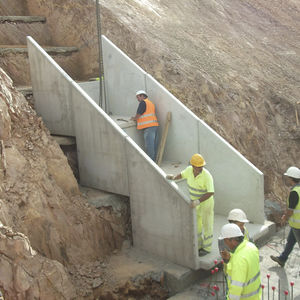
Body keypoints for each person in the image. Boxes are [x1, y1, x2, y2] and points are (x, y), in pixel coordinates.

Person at [166, 154, 214, 256]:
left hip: (206, 203)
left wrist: (198, 201)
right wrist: (174, 177)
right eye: (198, 167)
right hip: (196, 203)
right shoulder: (189, 170)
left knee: (207, 224)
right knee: (197, 225)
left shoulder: (207, 175)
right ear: (192, 166)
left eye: (201, 166)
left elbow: (210, 192)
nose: (200, 168)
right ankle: (199, 245)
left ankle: (207, 248)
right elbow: (182, 175)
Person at [219, 223, 262, 300]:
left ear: (231, 240)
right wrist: (230, 258)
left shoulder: (239, 260)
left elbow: (235, 291)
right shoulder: (251, 247)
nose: (225, 244)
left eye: (225, 241)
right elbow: (247, 265)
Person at [270, 166, 300, 267]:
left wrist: (284, 217)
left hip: (298, 225)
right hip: (296, 224)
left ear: (291, 178)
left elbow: (291, 211)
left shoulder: (294, 192)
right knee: (290, 242)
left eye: (288, 177)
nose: (287, 179)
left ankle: (282, 258)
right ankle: (282, 259)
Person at [131, 90, 159, 161]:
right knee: (153, 146)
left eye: (138, 97)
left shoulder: (143, 103)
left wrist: (134, 118)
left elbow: (139, 113)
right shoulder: (150, 103)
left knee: (149, 147)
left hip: (149, 127)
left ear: (142, 96)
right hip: (154, 126)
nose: (137, 99)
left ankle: (151, 164)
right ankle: (154, 162)